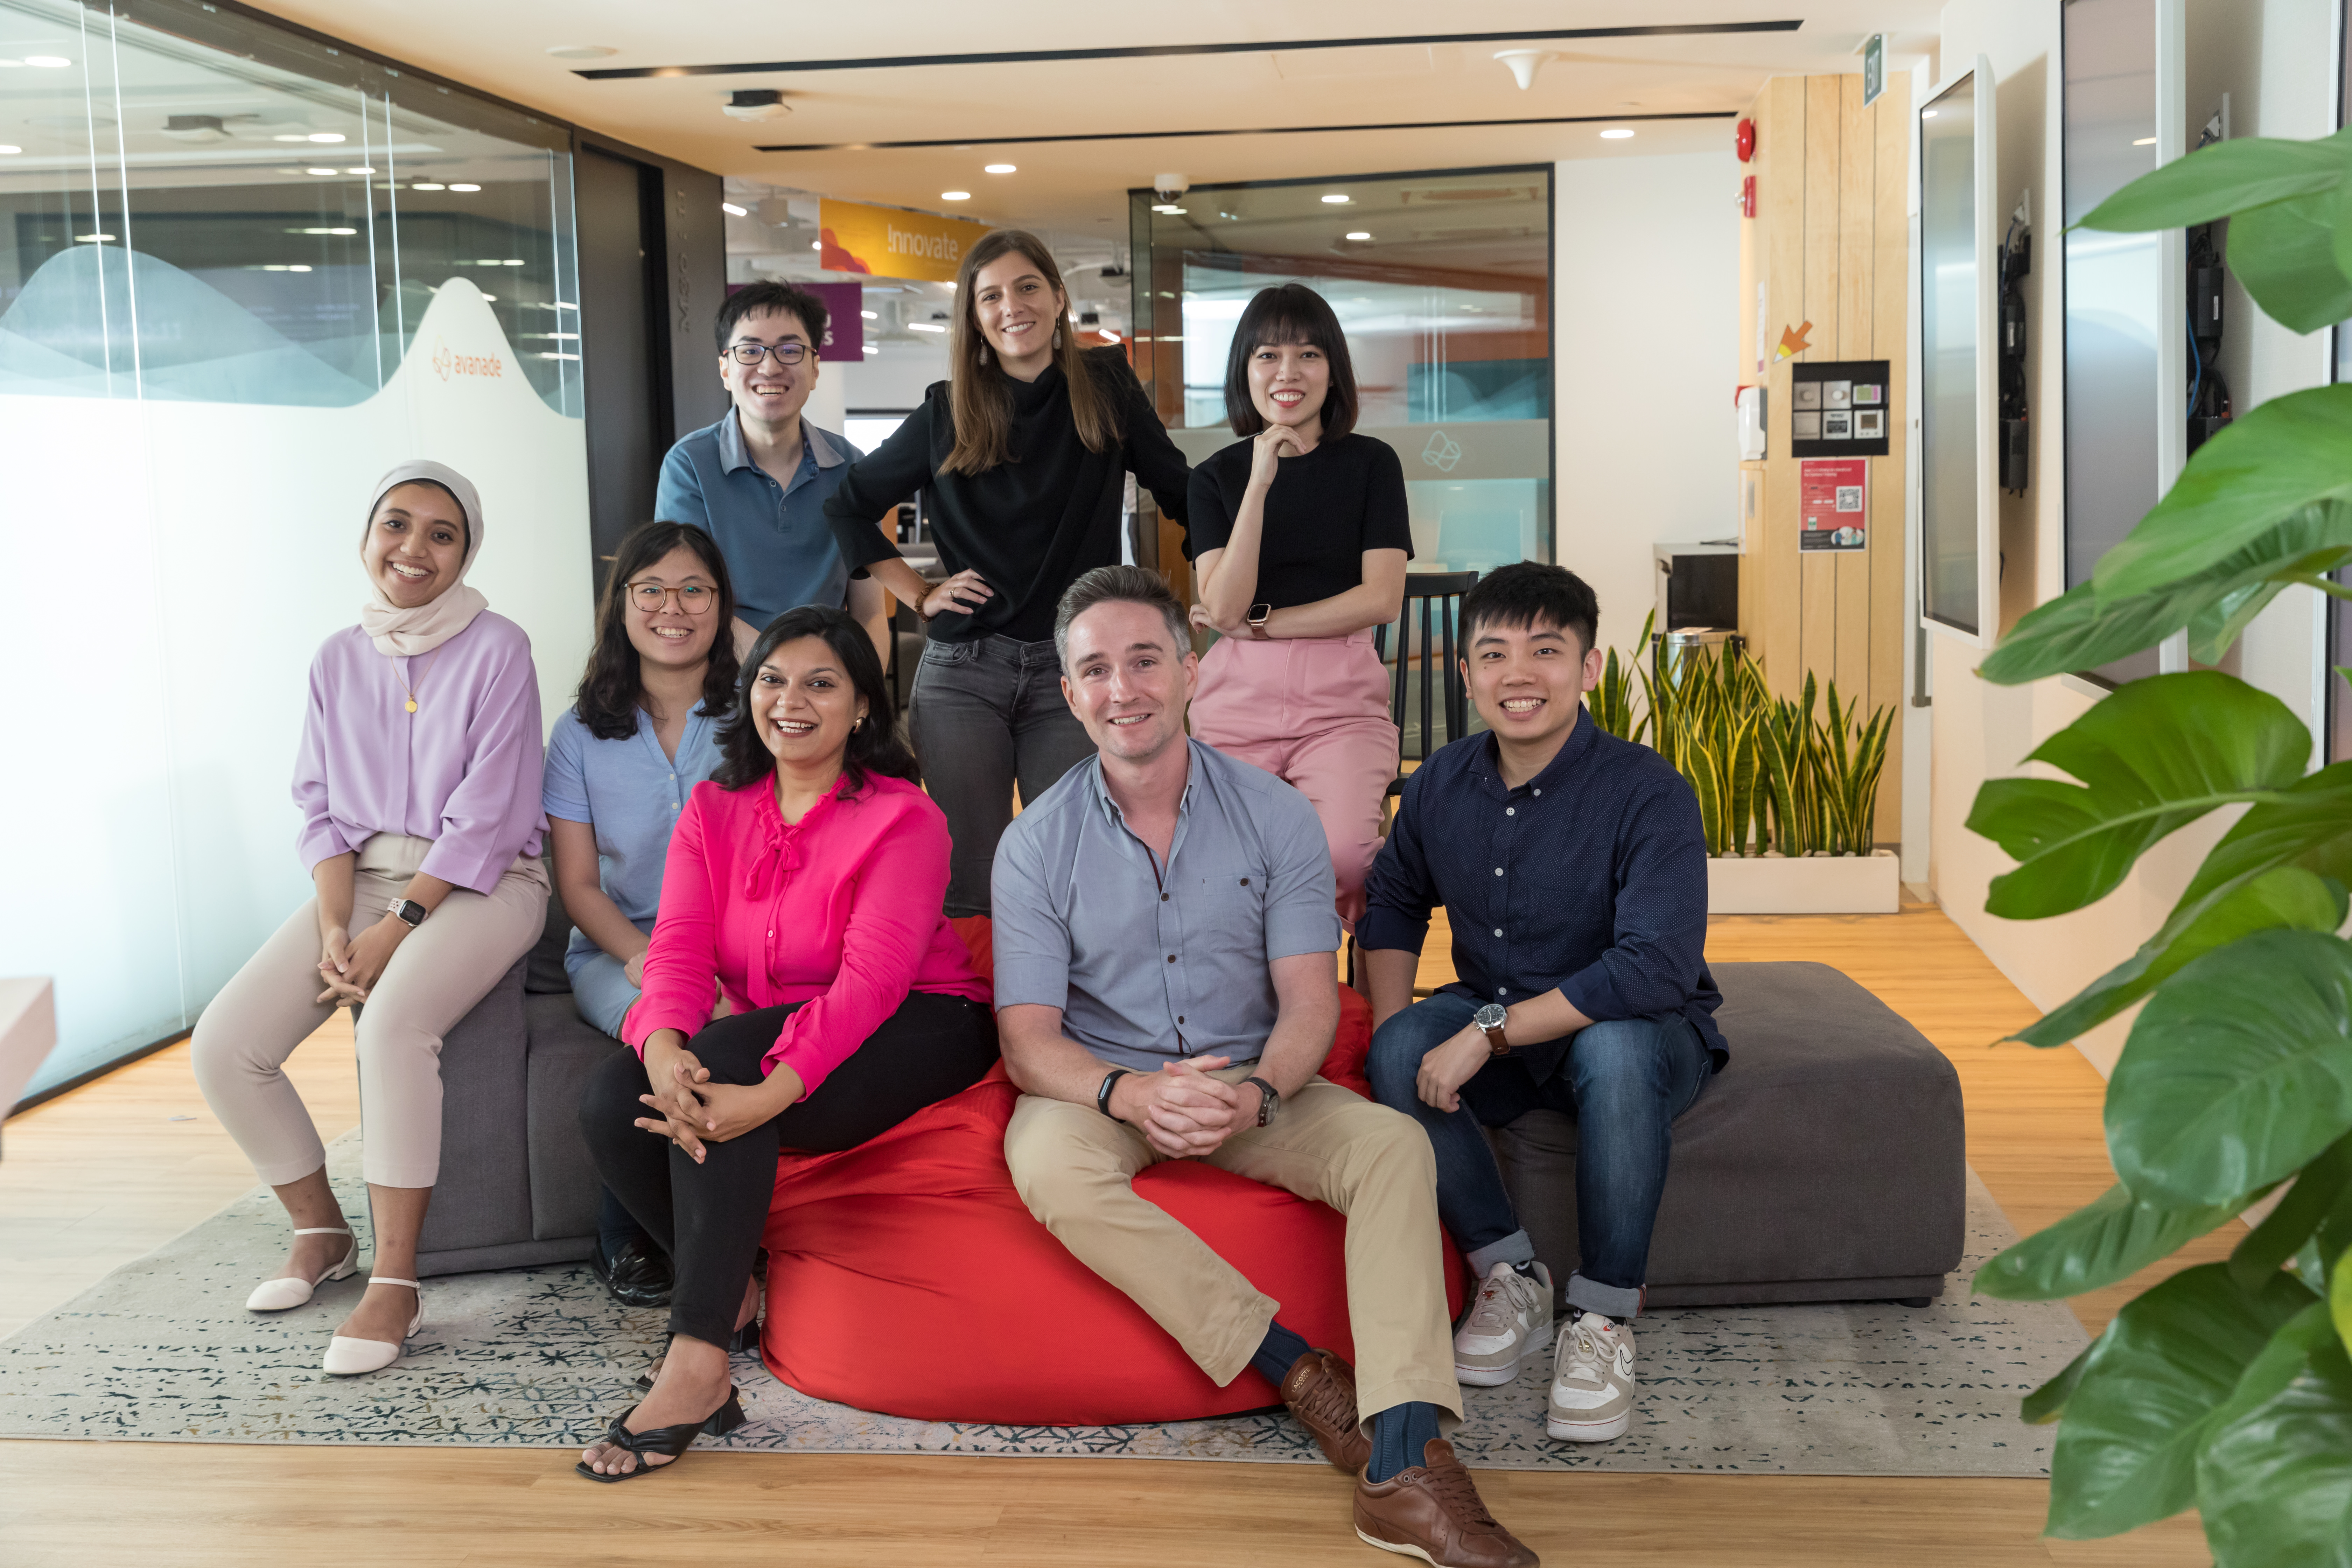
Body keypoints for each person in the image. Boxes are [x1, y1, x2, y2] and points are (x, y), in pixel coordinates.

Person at [991, 566, 1536, 1568]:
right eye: (1097, 670)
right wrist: (1130, 1093)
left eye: (1146, 659)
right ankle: (1298, 1372)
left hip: (1257, 1080)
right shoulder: (1033, 846)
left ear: (1191, 671)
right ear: (1070, 694)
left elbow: (1309, 1002)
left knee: (1389, 1149)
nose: (1125, 690)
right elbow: (1029, 1040)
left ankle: (1405, 1465)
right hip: (1110, 1086)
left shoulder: (1277, 817)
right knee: (1049, 1165)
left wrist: (1254, 1093)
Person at [575, 605, 998, 1482]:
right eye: (772, 678)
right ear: (748, 694)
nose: (790, 700)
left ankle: (697, 1365)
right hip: (774, 1030)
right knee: (615, 1099)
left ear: (864, 710)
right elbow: (682, 951)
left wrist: (772, 1091)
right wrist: (660, 1045)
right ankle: (735, 1290)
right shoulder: (714, 808)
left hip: (920, 1021)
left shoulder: (903, 817)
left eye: (821, 683)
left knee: (728, 1069)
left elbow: (872, 983)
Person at [190, 462, 549, 1376]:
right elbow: (317, 804)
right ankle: (321, 1229)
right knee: (226, 1041)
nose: (414, 549)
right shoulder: (336, 656)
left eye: (442, 534)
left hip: (485, 879)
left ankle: (397, 1280)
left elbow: (494, 811)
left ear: (466, 553)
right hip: (362, 881)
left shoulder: (500, 646)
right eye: (397, 525)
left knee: (390, 1027)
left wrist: (398, 926)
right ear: (367, 537)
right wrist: (337, 920)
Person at [1359, 562, 1725, 1447]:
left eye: (1546, 652)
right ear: (1466, 672)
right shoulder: (1442, 782)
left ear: (1590, 669)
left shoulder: (1649, 792)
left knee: (1621, 1048)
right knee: (1401, 1044)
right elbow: (1394, 901)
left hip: (1640, 1032)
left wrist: (1488, 1033)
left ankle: (1601, 1317)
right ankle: (1511, 1274)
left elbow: (1653, 968)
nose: (1517, 675)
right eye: (1494, 654)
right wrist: (1391, 1057)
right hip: (1502, 1020)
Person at [821, 229, 1192, 918]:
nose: (1011, 306)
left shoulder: (1105, 389)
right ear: (974, 317)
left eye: (1026, 287)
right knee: (972, 884)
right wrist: (920, 592)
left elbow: (1182, 491)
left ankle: (1069, 1023)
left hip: (1072, 671)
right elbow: (847, 503)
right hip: (965, 671)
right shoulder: (948, 408)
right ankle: (980, 1024)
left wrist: (1231, 564)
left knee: (1077, 868)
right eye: (989, 296)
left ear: (1058, 297)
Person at [544, 520, 740, 1310]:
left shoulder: (756, 712)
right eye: (651, 588)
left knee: (726, 1026)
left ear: (723, 606)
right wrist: (650, 964)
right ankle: (630, 1230)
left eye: (695, 588)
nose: (674, 606)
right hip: (615, 951)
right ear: (621, 605)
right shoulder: (579, 733)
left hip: (732, 946)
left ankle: (700, 1232)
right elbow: (580, 885)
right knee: (669, 1032)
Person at [1186, 283, 1409, 930]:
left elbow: (1382, 598)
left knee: (1344, 858)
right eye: (1268, 356)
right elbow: (1222, 604)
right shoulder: (1216, 479)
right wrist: (1260, 481)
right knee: (1220, 861)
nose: (1288, 373)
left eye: (1309, 355)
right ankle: (1263, 1004)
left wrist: (1262, 626)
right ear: (1245, 371)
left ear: (1333, 370)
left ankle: (1332, 997)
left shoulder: (1372, 464)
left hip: (1340, 704)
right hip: (1236, 701)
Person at [655, 280, 892, 664]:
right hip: (723, 688)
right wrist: (784, 681)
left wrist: (863, 696)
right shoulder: (689, 465)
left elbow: (870, 611)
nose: (769, 366)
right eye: (750, 350)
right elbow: (692, 602)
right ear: (725, 370)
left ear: (815, 368)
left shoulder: (850, 465)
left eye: (789, 349)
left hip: (825, 683)